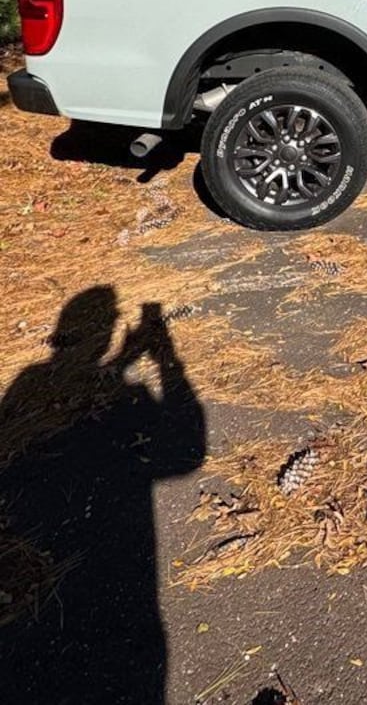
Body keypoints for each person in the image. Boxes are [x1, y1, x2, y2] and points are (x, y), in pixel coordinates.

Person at [0, 286, 205, 705]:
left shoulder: (30, 381)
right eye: (110, 322)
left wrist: (124, 362)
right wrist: (166, 360)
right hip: (113, 589)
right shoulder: (49, 385)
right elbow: (187, 454)